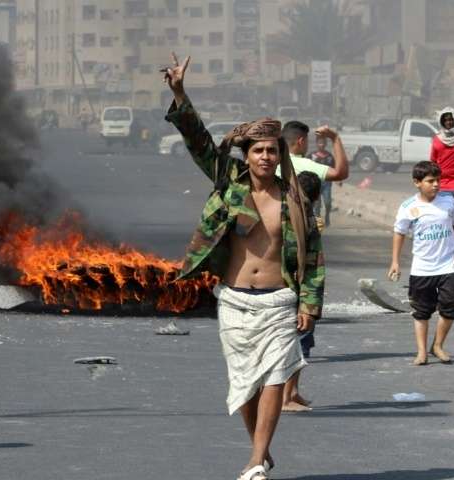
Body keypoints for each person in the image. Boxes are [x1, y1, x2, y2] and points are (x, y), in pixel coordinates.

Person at [163, 53, 324, 480]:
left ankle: (255, 460)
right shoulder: (228, 183)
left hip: (280, 302)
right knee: (245, 385)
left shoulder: (295, 200)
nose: (266, 157)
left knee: (275, 377)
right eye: (258, 150)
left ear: (280, 154)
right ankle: (260, 450)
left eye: (272, 150)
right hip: (235, 301)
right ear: (247, 155)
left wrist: (309, 304)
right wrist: (180, 92)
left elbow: (313, 256)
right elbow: (198, 142)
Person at [280, 121, 347, 412]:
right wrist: (335, 139)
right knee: (296, 334)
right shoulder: (304, 165)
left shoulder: (267, 169)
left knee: (295, 336)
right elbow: (341, 172)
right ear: (300, 141)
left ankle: (291, 393)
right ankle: (285, 397)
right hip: (293, 271)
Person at [388, 161, 454, 366]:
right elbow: (399, 233)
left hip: (449, 264)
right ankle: (422, 352)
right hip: (422, 268)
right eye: (430, 181)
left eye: (438, 180)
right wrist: (395, 261)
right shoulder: (408, 207)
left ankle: (437, 345)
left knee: (452, 305)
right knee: (421, 311)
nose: (436, 185)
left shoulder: (448, 200)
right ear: (417, 182)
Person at [279, 120, 348, 183]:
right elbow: (340, 174)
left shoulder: (276, 161)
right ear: (301, 142)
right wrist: (335, 137)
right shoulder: (303, 165)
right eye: (307, 141)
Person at [308, 136, 337, 226]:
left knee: (328, 202)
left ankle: (327, 215)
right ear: (317, 144)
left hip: (326, 183)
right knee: (317, 205)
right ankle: (318, 223)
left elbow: (334, 168)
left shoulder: (329, 156)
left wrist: (338, 179)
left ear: (326, 144)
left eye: (323, 143)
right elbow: (305, 167)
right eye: (320, 143)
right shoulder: (311, 156)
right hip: (315, 183)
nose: (322, 145)